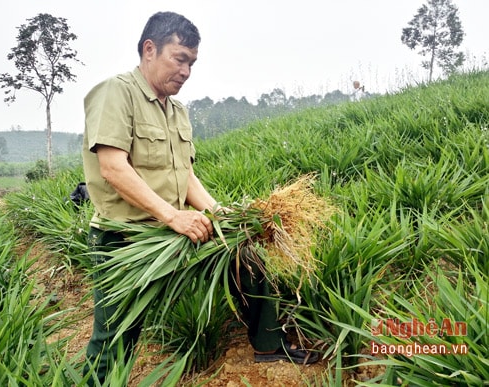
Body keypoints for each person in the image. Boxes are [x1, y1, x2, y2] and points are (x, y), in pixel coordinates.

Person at [81, 11, 319, 385]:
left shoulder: (177, 111)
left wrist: (220, 215)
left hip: (172, 233)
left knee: (247, 257)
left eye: (192, 63)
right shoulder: (116, 92)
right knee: (116, 332)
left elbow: (185, 175)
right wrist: (174, 217)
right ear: (149, 50)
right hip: (124, 239)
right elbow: (113, 168)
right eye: (180, 59)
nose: (187, 71)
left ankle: (269, 344)